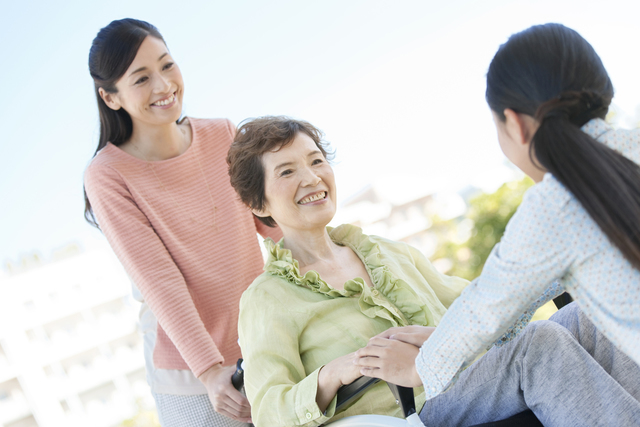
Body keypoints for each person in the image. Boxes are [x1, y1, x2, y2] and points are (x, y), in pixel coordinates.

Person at [227, 116, 640, 427]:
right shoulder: (266, 299)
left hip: (463, 380)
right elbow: (268, 412)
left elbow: (476, 306)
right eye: (287, 171)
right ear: (259, 205)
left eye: (316, 161)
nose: (312, 176)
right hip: (416, 413)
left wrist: (565, 269)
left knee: (589, 318)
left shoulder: (385, 252)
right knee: (541, 344)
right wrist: (337, 370)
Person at [355, 23, 640, 425]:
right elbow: (510, 303)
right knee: (586, 321)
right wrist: (441, 344)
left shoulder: (554, 207)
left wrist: (420, 367)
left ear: (515, 125)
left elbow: (487, 306)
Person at [83, 19, 281, 427]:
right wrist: (210, 372)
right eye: (141, 78)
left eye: (167, 65)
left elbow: (274, 224)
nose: (163, 85)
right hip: (192, 375)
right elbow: (159, 280)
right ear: (111, 97)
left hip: (268, 338)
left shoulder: (222, 134)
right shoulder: (108, 174)